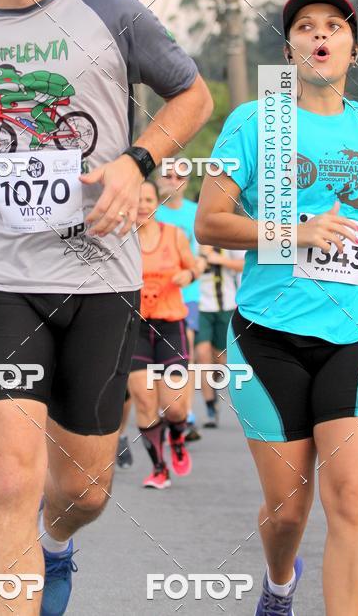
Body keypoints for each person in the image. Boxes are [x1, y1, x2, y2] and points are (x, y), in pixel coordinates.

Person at [0, 0, 213, 614]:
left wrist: (137, 160)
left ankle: (57, 544)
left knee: (84, 486)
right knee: (9, 479)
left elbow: (193, 93)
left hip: (101, 277)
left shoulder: (112, 11)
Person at [196, 0, 358, 615]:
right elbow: (209, 223)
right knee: (288, 511)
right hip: (267, 335)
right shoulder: (255, 121)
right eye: (305, 27)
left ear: (352, 48)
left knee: (353, 499)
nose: (320, 35)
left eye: (333, 26)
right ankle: (280, 582)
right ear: (289, 50)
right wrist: (294, 231)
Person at [128, 181, 204, 489]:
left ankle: (176, 435)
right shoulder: (119, 241)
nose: (143, 205)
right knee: (144, 402)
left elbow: (197, 262)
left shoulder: (173, 235)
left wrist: (190, 273)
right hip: (134, 327)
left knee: (174, 406)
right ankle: (159, 468)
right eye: (138, 200)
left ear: (156, 203)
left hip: (170, 325)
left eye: (148, 199)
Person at [156, 162, 204, 441]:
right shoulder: (149, 211)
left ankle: (185, 414)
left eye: (178, 176)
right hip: (151, 296)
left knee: (184, 353)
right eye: (167, 175)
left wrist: (193, 269)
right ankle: (161, 409)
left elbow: (203, 254)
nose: (172, 180)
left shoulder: (194, 213)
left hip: (186, 295)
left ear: (186, 182)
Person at [196, 246, 244, 427]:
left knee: (221, 359)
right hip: (200, 307)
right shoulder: (191, 240)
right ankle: (209, 407)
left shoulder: (224, 240)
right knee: (202, 353)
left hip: (226, 306)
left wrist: (220, 259)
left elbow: (245, 263)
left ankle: (213, 390)